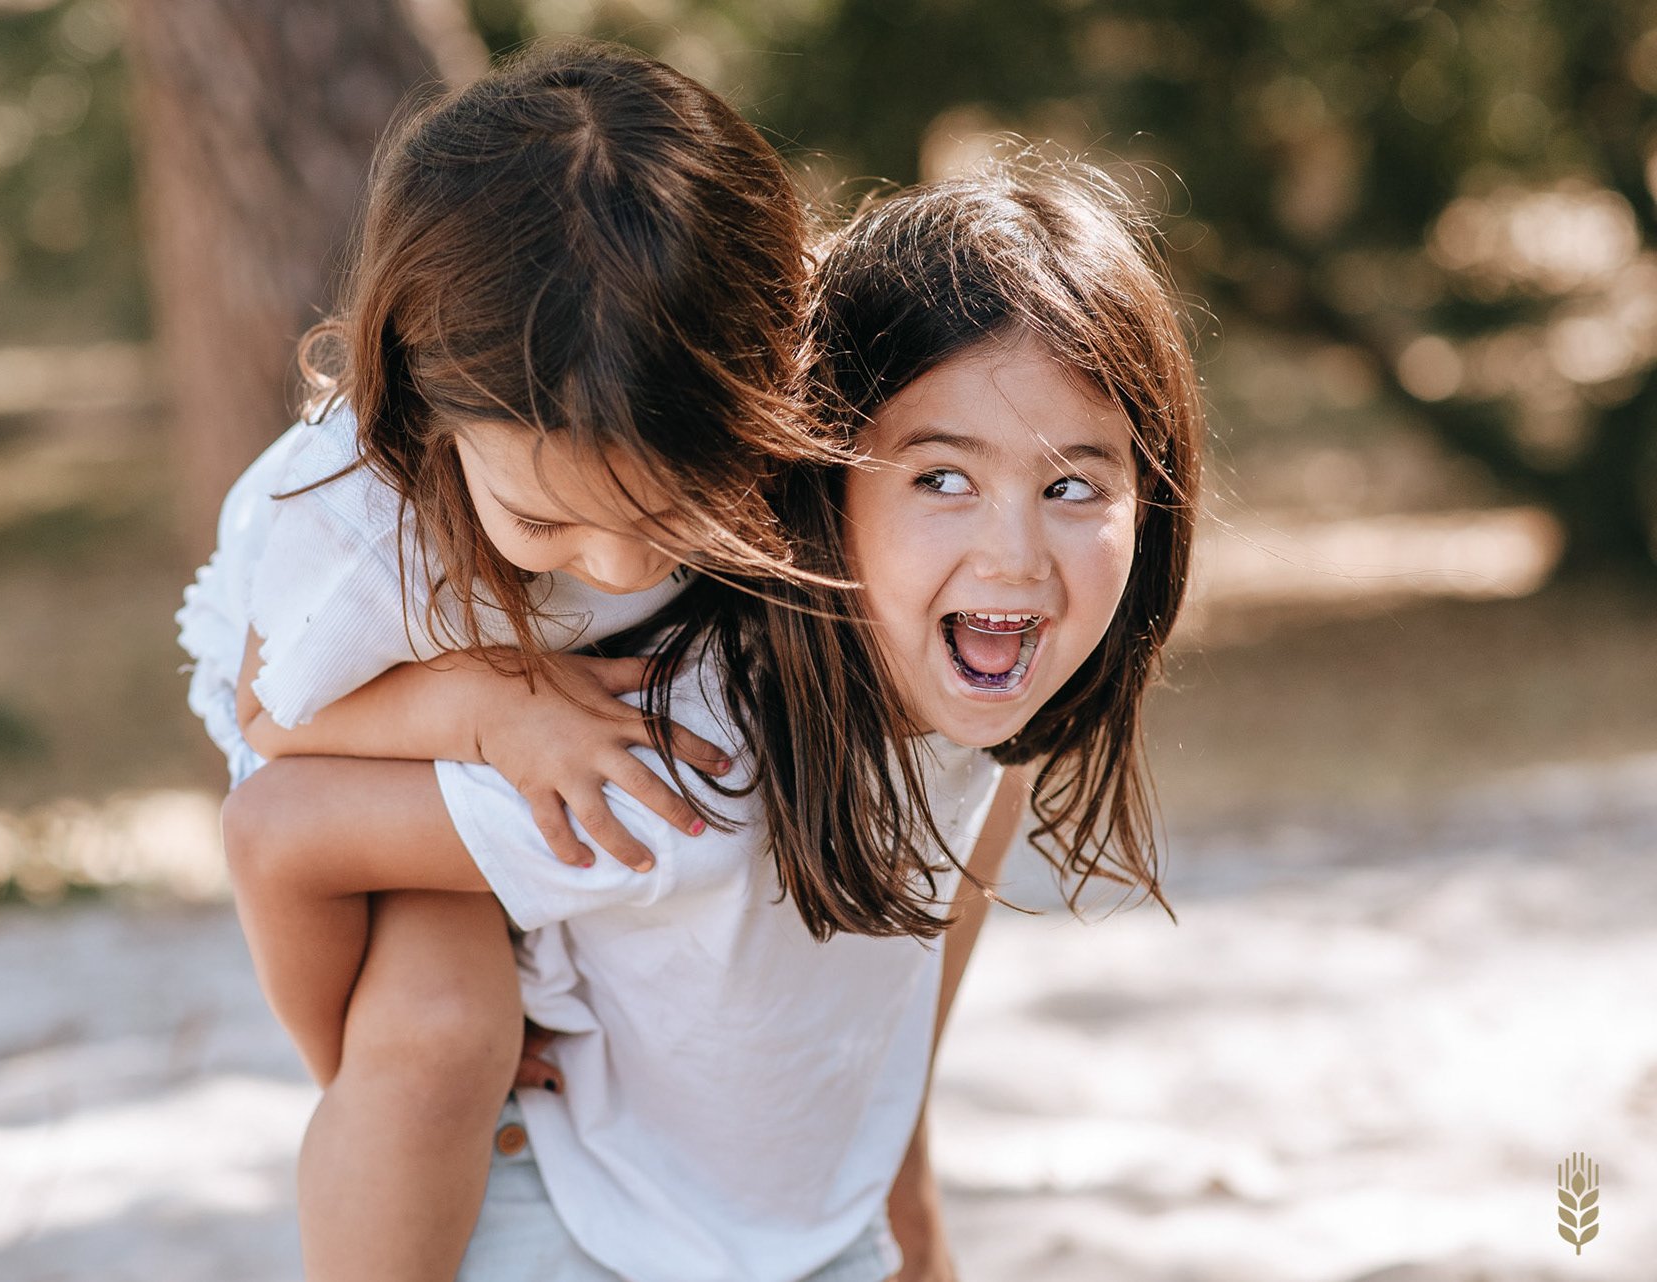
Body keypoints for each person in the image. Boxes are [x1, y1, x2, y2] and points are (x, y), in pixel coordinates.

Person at [221, 159, 1204, 1281]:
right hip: (585, 1230)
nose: (1017, 555)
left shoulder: (989, 713)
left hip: (801, 1236)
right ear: (816, 469)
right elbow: (274, 818)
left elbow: (905, 979)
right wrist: (352, 1056)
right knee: (432, 1032)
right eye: (941, 478)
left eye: (1075, 487)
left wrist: (910, 1221)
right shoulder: (678, 759)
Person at [175, 41, 845, 1281]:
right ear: (425, 414)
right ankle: (377, 1112)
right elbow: (276, 715)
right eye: (548, 525)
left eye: (675, 513)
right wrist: (495, 704)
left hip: (482, 697)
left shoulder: (715, 367)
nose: (622, 569)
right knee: (437, 1035)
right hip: (368, 702)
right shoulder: (364, 522)